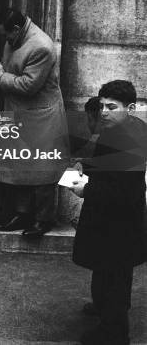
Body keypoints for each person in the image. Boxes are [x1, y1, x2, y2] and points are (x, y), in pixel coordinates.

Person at [70, 80, 147, 345]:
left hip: (119, 225)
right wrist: (85, 164)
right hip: (114, 223)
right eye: (102, 105)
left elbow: (125, 194)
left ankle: (113, 333)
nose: (104, 112)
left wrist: (85, 190)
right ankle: (103, 308)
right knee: (107, 271)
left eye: (112, 107)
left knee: (114, 277)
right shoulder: (122, 128)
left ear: (131, 107)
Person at [0, 8, 69, 238]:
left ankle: (43, 219)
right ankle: (22, 214)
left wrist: (0, 76)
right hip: (19, 112)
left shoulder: (41, 45)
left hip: (41, 116)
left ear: (16, 29)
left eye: (7, 35)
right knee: (19, 164)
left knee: (42, 169)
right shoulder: (15, 38)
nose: (5, 40)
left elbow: (29, 85)